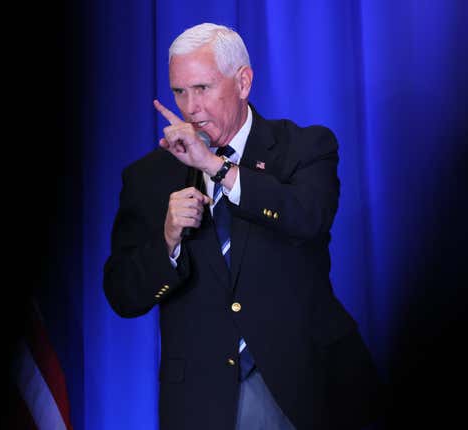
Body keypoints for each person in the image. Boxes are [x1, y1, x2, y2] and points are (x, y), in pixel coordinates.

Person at [104, 23, 384, 430]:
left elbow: (307, 217)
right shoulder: (148, 177)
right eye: (179, 91)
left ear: (243, 82)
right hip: (202, 401)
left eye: (202, 88)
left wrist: (214, 167)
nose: (190, 107)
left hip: (307, 386)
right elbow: (122, 295)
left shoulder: (304, 148)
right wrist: (167, 241)